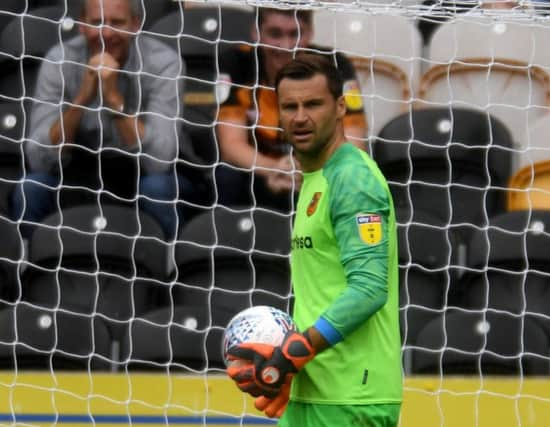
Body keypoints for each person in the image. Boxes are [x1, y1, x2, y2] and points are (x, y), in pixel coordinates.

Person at [226, 55, 402, 426]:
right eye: (290, 106)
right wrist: (292, 367)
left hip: (352, 396)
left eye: (313, 104)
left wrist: (295, 352)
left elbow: (370, 288)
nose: (300, 116)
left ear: (340, 107)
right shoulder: (317, 179)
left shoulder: (352, 179)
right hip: (315, 389)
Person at [14, 0, 192, 238]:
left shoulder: (165, 63)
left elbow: (158, 161)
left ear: (136, 24)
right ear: (82, 25)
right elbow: (37, 157)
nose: (106, 33)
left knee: (156, 188)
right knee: (31, 188)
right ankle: (30, 270)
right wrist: (81, 100)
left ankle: (167, 268)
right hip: (78, 169)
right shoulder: (59, 60)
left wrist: (113, 99)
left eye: (117, 23)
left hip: (140, 173)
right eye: (97, 23)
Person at [215, 6, 368, 211]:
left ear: (310, 33)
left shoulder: (335, 65)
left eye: (295, 34)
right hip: (258, 170)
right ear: (256, 32)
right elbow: (230, 145)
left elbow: (354, 144)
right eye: (275, 33)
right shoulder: (236, 62)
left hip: (319, 170)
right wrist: (273, 169)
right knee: (225, 175)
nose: (286, 46)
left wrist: (308, 172)